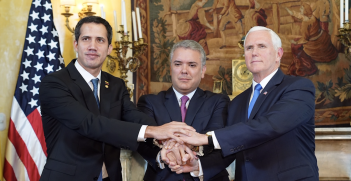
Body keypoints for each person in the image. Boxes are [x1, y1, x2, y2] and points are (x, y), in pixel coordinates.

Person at [39, 16, 195, 181]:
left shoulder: (115, 84)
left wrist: (168, 138)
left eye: (100, 40)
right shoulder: (54, 83)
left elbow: (133, 116)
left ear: (109, 48)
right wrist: (154, 131)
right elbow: (89, 124)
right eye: (86, 39)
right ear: (76, 45)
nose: (93, 46)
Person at [175, 26, 319, 181]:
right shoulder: (237, 102)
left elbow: (270, 125)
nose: (254, 52)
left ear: (279, 54)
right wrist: (199, 166)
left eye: (261, 46)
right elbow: (232, 145)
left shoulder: (299, 88)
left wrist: (206, 138)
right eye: (249, 48)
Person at [137, 40, 233, 181]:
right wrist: (164, 155)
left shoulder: (218, 101)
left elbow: (217, 138)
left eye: (192, 65)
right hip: (162, 177)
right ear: (170, 68)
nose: (184, 70)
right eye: (178, 64)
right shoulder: (150, 102)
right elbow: (144, 143)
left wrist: (187, 153)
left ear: (203, 70)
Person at [285, 3, 337, 76]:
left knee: (295, 47)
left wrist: (295, 42)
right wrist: (292, 12)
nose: (300, 10)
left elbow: (305, 39)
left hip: (315, 44)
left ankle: (305, 65)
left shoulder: (305, 23)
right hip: (322, 38)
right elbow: (302, 16)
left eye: (301, 9)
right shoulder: (312, 17)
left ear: (305, 11)